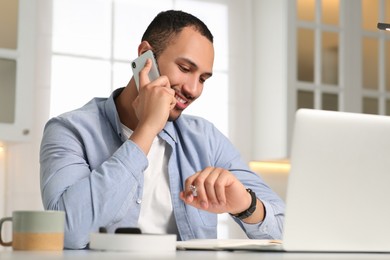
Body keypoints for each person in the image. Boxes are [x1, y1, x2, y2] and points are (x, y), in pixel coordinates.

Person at [40, 10, 285, 249]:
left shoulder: (207, 139)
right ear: (146, 56)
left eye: (203, 78)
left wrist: (246, 206)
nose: (194, 89)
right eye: (186, 68)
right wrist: (147, 129)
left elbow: (287, 229)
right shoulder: (69, 130)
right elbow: (68, 231)